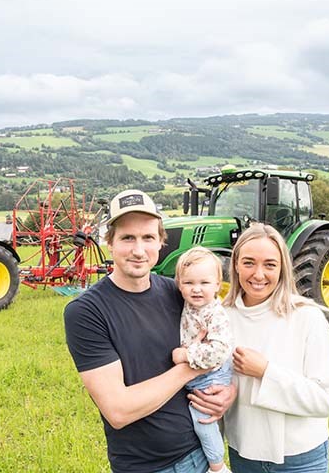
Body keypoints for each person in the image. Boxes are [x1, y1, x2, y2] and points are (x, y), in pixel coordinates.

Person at [64, 189, 236, 473]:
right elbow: (118, 411)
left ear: (160, 243)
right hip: (148, 467)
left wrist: (229, 391)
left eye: (148, 238)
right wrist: (193, 365)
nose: (139, 250)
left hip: (202, 456)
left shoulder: (176, 293)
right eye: (127, 238)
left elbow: (221, 338)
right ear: (110, 243)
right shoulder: (86, 312)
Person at [196, 222, 329, 472]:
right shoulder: (221, 318)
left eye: (270, 265)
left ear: (283, 268)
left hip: (300, 458)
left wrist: (266, 372)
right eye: (249, 263)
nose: (259, 274)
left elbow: (326, 399)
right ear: (235, 266)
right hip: (244, 455)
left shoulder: (306, 317)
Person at [171, 247, 233, 473]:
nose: (196, 289)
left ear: (218, 284)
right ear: (179, 284)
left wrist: (185, 354)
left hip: (211, 373)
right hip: (198, 372)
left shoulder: (215, 314)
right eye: (188, 283)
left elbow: (219, 351)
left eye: (204, 283)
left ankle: (217, 467)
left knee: (203, 423)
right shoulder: (190, 304)